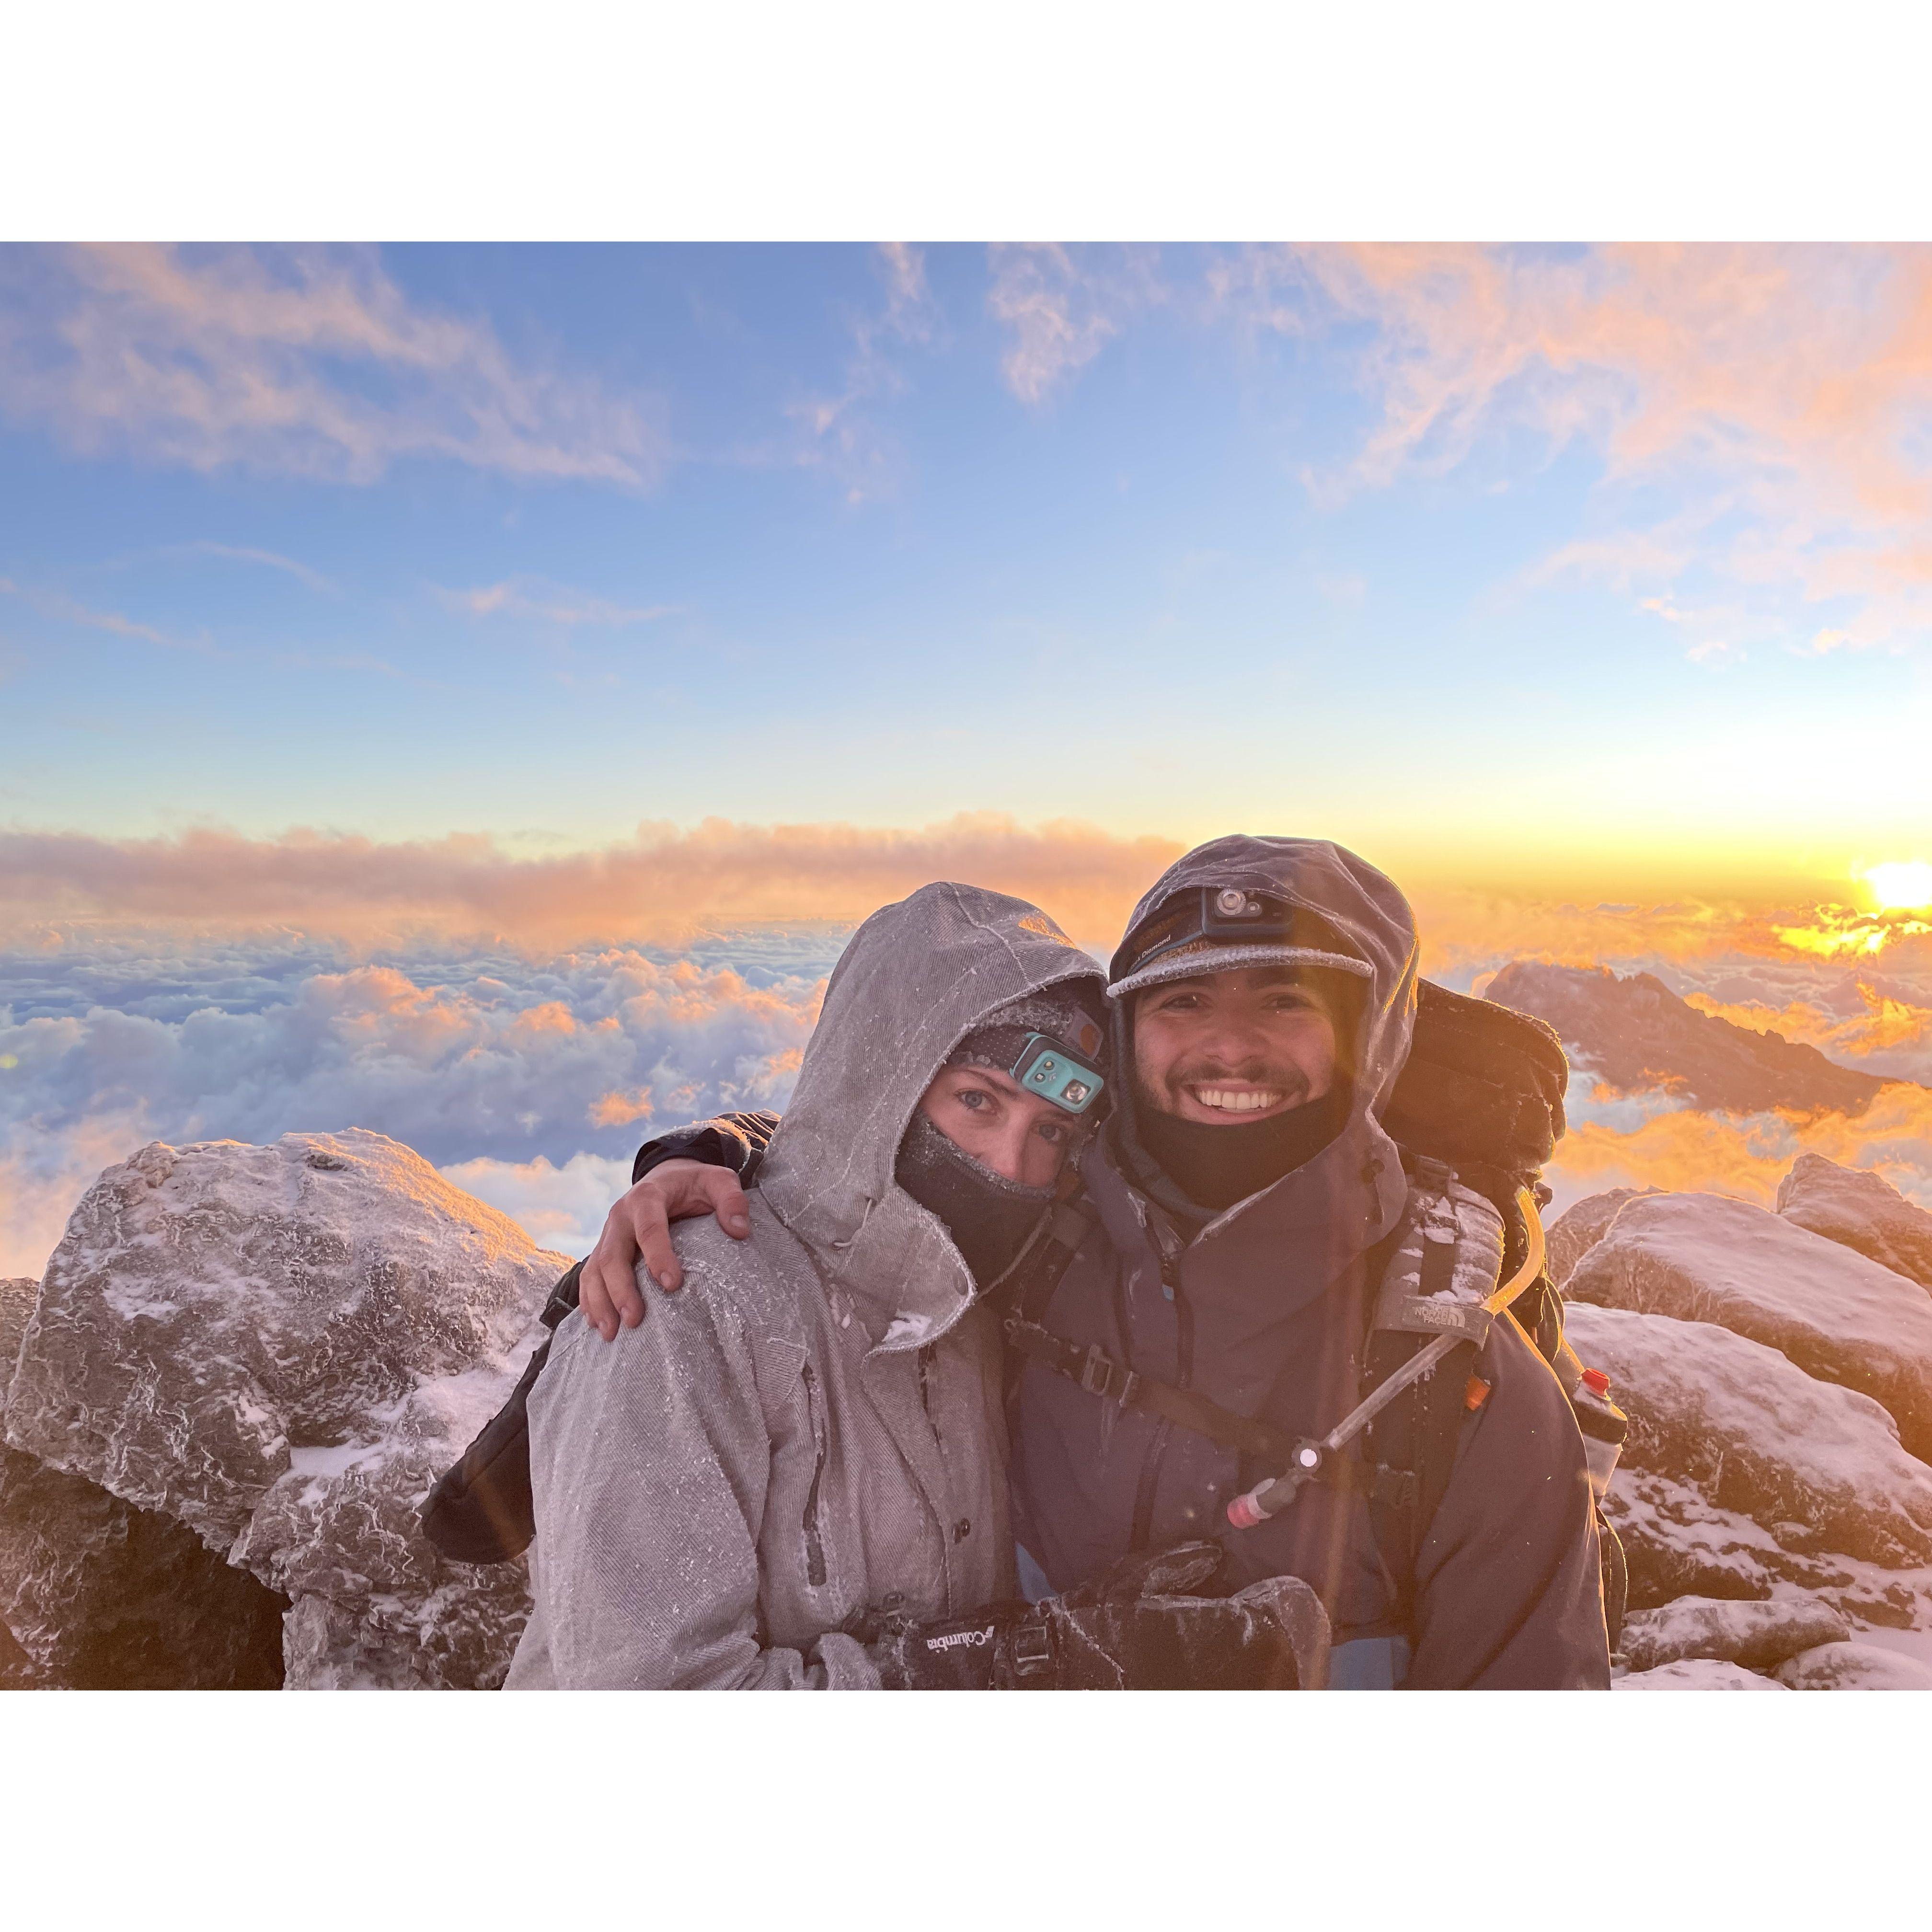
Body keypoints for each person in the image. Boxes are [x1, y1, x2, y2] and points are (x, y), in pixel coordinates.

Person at [582, 838, 1612, 1690]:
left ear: (1369, 1043)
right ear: (1128, 1042)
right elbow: (880, 1152)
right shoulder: (1033, 1233)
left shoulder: (1456, 1388)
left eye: (1287, 1000)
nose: (1231, 1047)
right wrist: (712, 1161)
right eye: (1183, 1002)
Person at [505, 879, 1327, 1690]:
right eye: (977, 1101)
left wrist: (1081, 1626)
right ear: (881, 1088)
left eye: (1051, 1132)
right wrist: (1008, 1669)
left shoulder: (971, 1313)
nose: (1011, 1166)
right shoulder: (680, 1311)